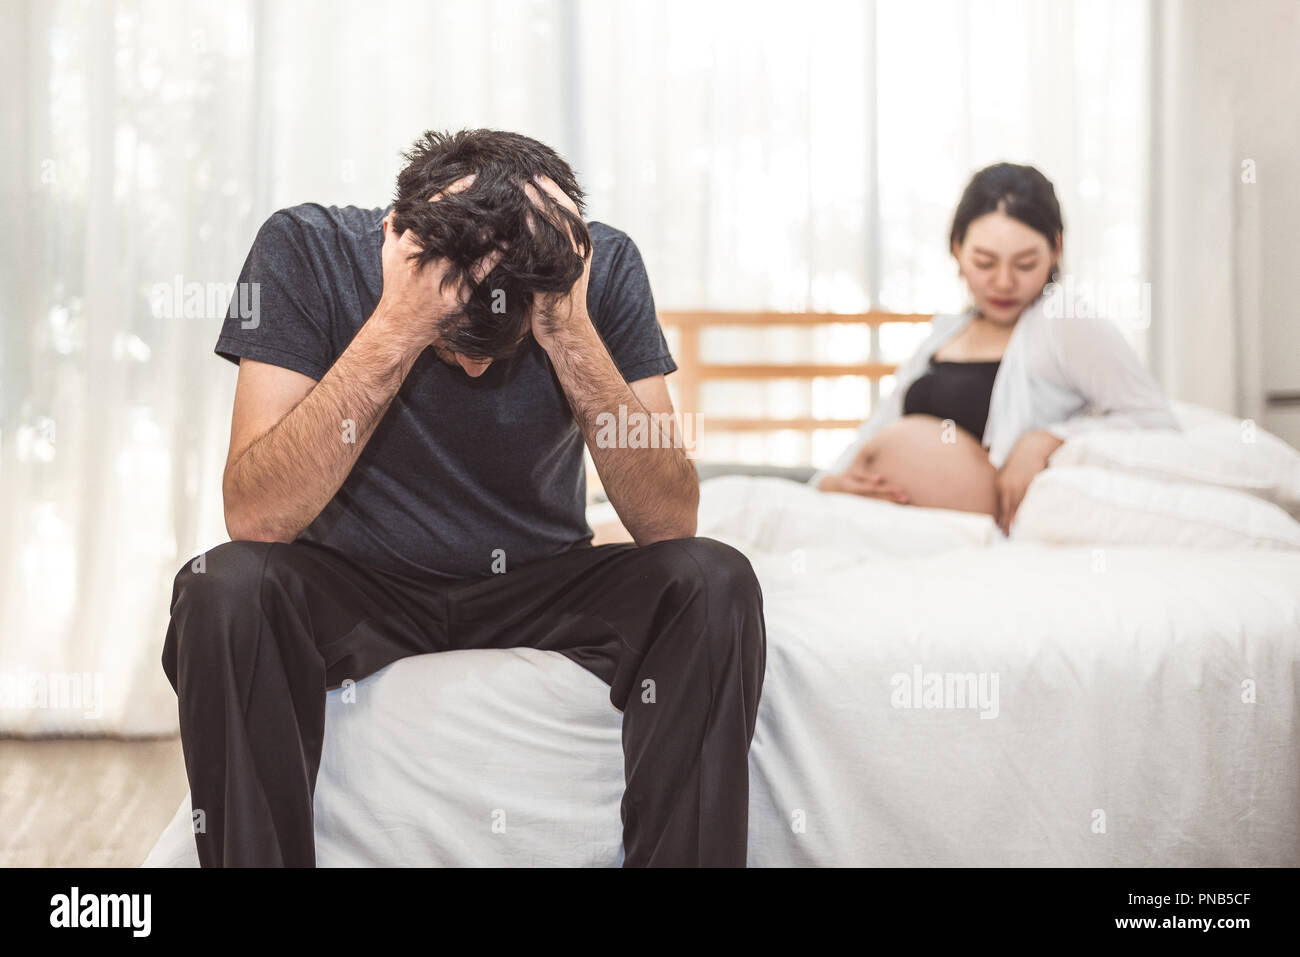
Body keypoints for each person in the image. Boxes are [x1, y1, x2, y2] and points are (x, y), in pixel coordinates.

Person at [161, 129, 766, 868]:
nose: (477, 367)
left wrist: (568, 330)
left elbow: (668, 521)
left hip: (535, 581)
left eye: (499, 344)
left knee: (711, 578)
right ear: (395, 239)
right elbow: (255, 515)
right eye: (457, 343)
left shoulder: (598, 268)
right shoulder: (303, 247)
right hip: (358, 581)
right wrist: (399, 325)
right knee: (221, 586)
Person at [811, 162, 1178, 533]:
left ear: (1056, 248)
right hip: (880, 525)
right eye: (984, 262)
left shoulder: (1062, 322)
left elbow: (1154, 420)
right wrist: (831, 481)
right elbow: (879, 425)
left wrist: (1049, 440)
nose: (1003, 282)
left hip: (969, 539)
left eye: (1025, 263)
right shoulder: (947, 330)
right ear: (957, 248)